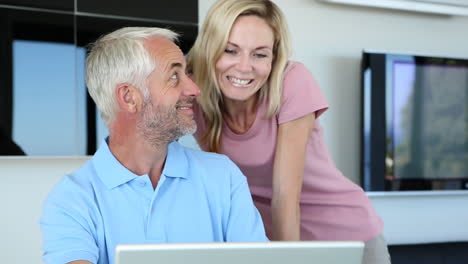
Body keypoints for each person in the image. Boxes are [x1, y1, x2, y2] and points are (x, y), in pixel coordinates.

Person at [40, 27, 267, 264]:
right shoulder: (73, 199)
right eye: (174, 76)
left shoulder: (224, 177)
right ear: (129, 97)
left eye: (187, 74)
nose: (193, 89)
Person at [186, 0, 391, 263]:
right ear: (209, 49)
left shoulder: (291, 82)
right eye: (230, 50)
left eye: (260, 54)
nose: (245, 66)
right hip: (272, 240)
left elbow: (284, 197)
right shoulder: (192, 91)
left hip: (345, 237)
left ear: (274, 58)